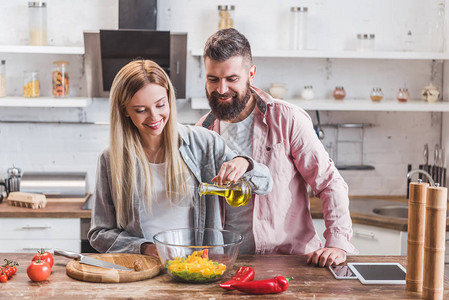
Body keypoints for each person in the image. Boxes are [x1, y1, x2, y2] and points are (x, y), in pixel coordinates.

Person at [197, 28, 357, 267]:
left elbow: (329, 182)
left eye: (232, 79)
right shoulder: (202, 131)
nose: (221, 89)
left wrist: (336, 243)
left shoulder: (287, 119)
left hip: (292, 262)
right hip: (226, 264)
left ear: (251, 74)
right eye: (213, 79)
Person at [88, 59, 273, 256]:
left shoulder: (204, 143)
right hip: (142, 270)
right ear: (124, 110)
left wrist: (244, 163)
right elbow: (99, 234)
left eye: (160, 105)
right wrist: (145, 248)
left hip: (200, 267)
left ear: (169, 99)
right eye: (141, 110)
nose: (154, 117)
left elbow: (265, 183)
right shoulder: (110, 159)